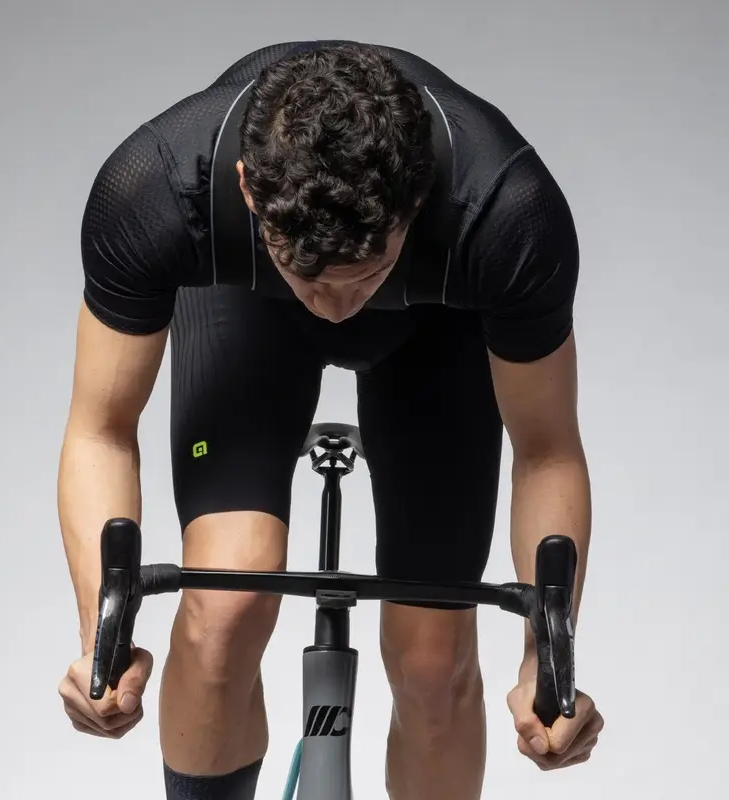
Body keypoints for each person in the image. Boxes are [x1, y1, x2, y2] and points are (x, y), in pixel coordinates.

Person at [56, 40, 604, 800]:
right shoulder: (156, 186)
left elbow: (546, 451)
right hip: (248, 313)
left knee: (434, 662)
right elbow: (100, 429)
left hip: (436, 329)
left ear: (419, 200)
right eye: (307, 274)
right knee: (222, 609)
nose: (336, 307)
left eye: (364, 274)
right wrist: (102, 639)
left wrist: (547, 661)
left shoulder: (505, 211)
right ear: (246, 189)